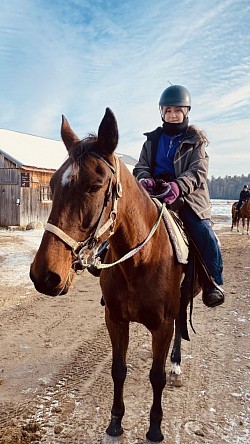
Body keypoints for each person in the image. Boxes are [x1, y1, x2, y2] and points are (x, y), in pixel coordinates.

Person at [133, 84, 224, 308]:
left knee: (205, 234)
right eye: (168, 110)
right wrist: (145, 179)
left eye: (177, 110)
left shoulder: (196, 141)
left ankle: (213, 282)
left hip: (188, 198)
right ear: (162, 112)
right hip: (155, 195)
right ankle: (107, 267)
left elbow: (198, 172)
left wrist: (178, 186)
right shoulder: (152, 140)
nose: (173, 115)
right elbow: (141, 166)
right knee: (125, 222)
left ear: (186, 112)